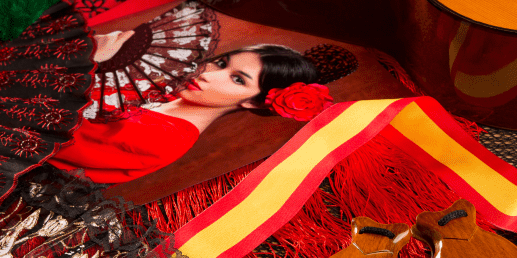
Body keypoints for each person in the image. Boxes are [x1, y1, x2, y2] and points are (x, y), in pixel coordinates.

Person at [48, 44, 321, 184]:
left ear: (255, 103)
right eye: (221, 63)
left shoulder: (161, 138)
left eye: (238, 80)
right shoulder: (164, 92)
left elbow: (50, 131)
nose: (209, 75)